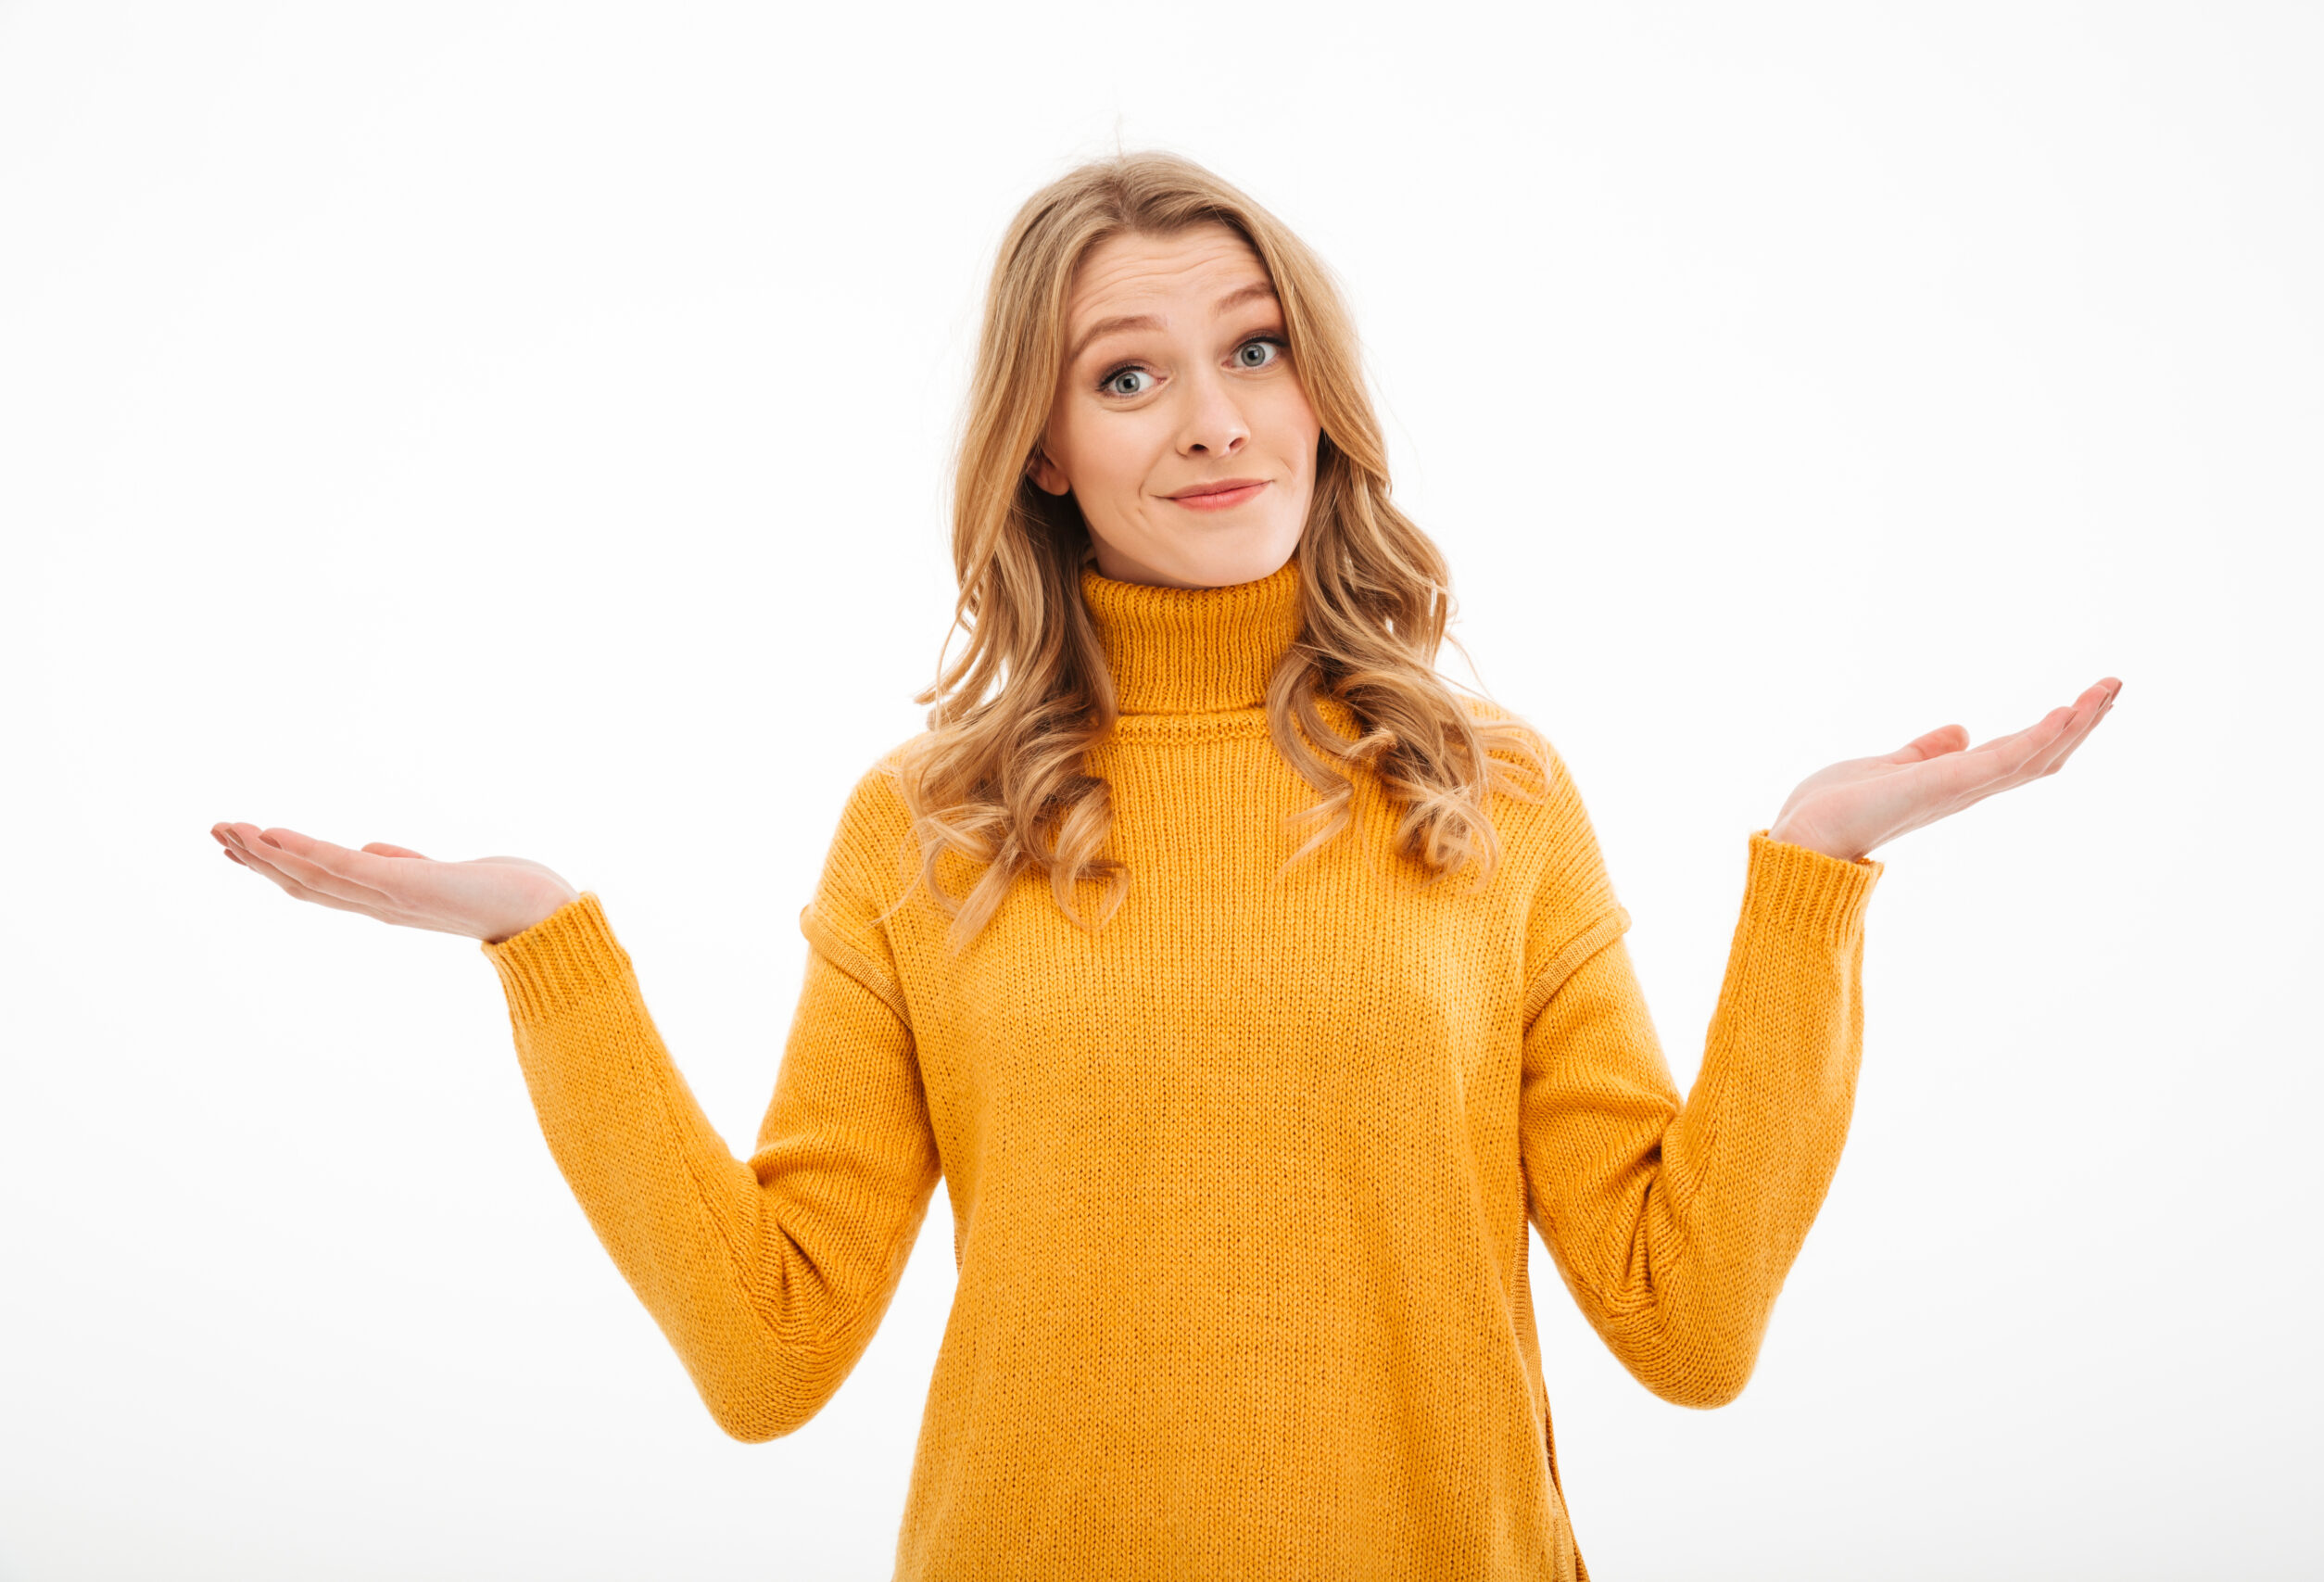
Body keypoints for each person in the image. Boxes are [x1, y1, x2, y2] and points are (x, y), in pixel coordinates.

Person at [209, 151, 2117, 1580]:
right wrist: (549, 948)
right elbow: (768, 1348)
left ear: (1313, 388)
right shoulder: (926, 825)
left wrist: (1811, 876)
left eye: (1253, 348)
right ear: (1037, 446)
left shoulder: (1489, 795)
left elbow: (1684, 1325)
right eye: (1125, 375)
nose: (1211, 415)